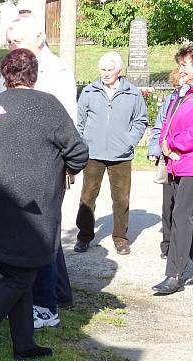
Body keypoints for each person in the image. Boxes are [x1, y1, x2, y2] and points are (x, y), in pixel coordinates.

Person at [0, 49, 88, 361]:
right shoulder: (47, 105)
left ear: (5, 75)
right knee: (21, 275)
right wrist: (62, 170)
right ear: (34, 75)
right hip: (30, 210)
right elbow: (78, 153)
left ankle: (23, 344)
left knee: (16, 272)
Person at [4, 12, 76, 327]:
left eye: (15, 41)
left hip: (44, 166)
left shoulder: (56, 71)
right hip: (19, 164)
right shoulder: (18, 67)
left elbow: (63, 124)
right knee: (37, 234)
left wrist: (63, 169)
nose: (10, 46)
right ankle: (56, 292)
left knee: (41, 234)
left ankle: (45, 303)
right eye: (8, 41)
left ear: (38, 39)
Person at [74, 52, 148, 256]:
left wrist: (129, 141)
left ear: (119, 71)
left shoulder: (133, 93)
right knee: (87, 196)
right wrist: (82, 145)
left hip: (121, 155)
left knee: (121, 198)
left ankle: (120, 238)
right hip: (93, 153)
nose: (105, 74)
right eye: (102, 70)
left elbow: (141, 120)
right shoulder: (89, 91)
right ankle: (84, 236)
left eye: (109, 70)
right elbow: (79, 122)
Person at [151, 44, 193, 295]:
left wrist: (173, 142)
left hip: (189, 166)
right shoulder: (182, 95)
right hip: (176, 163)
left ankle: (174, 275)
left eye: (185, 64)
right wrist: (164, 144)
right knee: (178, 215)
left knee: (182, 218)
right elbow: (168, 120)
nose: (181, 69)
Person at [148, 68, 188, 260]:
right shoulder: (172, 99)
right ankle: (167, 243)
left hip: (183, 156)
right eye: (178, 78)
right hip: (167, 156)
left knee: (183, 207)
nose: (181, 80)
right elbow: (161, 124)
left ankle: (181, 246)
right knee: (168, 203)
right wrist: (155, 150)